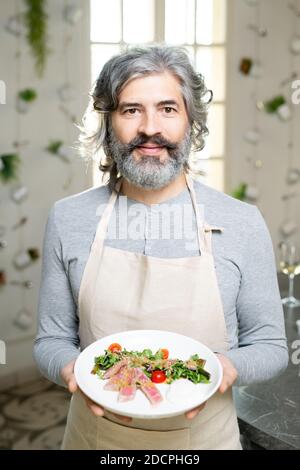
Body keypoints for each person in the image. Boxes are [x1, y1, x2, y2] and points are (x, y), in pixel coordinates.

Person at [34, 45, 288, 450]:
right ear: (108, 122)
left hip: (206, 439)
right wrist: (72, 369)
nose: (150, 128)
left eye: (168, 109)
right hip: (94, 439)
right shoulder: (68, 218)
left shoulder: (241, 222)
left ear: (190, 122)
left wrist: (225, 367)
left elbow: (271, 346)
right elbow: (50, 340)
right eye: (131, 110)